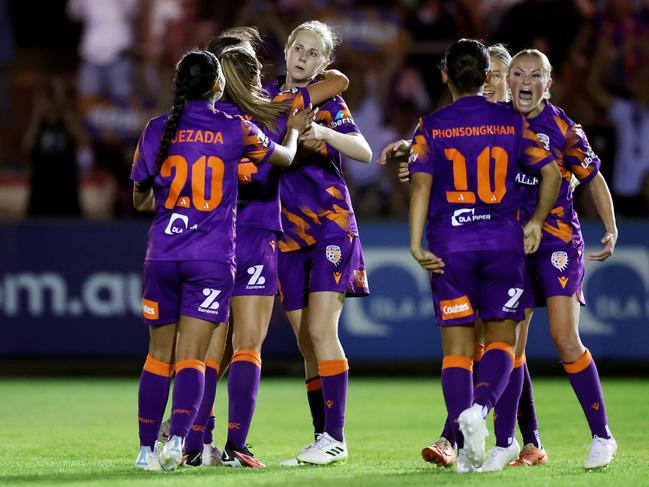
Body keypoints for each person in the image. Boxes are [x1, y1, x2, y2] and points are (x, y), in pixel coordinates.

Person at [179, 31, 349, 468]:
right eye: (255, 69)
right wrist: (294, 132)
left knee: (210, 350)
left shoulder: (200, 120)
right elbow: (337, 82)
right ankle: (237, 446)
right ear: (248, 77)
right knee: (248, 345)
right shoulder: (269, 114)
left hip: (210, 236)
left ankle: (196, 444)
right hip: (256, 233)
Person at [130, 49, 304, 472]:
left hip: (164, 255)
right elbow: (284, 159)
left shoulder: (156, 130)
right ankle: (180, 443)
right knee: (193, 357)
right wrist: (294, 131)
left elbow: (139, 199)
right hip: (210, 258)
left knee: (158, 356)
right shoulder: (234, 128)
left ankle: (146, 451)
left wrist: (173, 204)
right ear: (218, 86)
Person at [407, 39, 561, 473]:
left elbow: (419, 186)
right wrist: (535, 223)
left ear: (445, 75)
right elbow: (550, 172)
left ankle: (463, 440)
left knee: (456, 351)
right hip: (502, 246)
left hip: (449, 248)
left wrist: (416, 242)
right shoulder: (511, 122)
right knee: (502, 343)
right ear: (486, 77)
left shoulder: (431, 126)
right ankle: (482, 409)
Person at [482, 48, 618, 471]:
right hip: (511, 245)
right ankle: (506, 442)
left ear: (547, 83)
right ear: (509, 81)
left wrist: (610, 228)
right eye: (517, 74)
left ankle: (602, 436)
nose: (524, 81)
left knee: (563, 338)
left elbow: (593, 178)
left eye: (534, 75)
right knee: (509, 344)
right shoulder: (495, 123)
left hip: (557, 241)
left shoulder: (563, 127)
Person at [267, 20, 373, 466]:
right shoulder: (265, 97)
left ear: (324, 62)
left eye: (314, 53)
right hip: (286, 233)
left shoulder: (329, 99)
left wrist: (325, 135)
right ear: (287, 49)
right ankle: (321, 437)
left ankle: (336, 437)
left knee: (320, 330)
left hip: (330, 224)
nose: (303, 57)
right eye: (299, 48)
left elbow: (364, 151)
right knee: (305, 343)